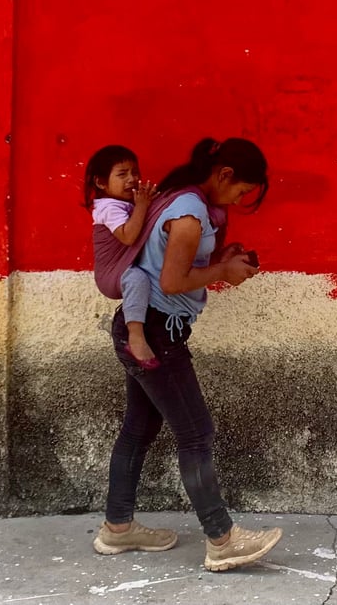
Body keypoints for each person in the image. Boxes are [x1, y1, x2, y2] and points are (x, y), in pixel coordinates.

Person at [92, 137, 283, 572]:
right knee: (196, 434)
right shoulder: (190, 213)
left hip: (145, 327)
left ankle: (117, 529)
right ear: (224, 175)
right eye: (241, 191)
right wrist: (223, 271)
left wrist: (222, 257)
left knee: (138, 430)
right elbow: (175, 280)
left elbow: (177, 265)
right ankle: (222, 539)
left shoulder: (186, 200)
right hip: (156, 333)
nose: (239, 200)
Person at [84, 145, 160, 367]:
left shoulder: (127, 203)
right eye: (122, 174)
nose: (132, 179)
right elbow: (128, 237)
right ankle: (135, 337)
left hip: (124, 268)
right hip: (112, 275)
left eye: (135, 172)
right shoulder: (109, 207)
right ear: (101, 183)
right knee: (137, 278)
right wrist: (143, 206)